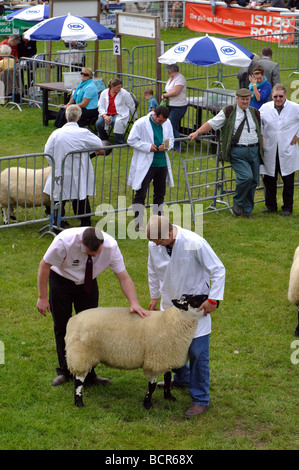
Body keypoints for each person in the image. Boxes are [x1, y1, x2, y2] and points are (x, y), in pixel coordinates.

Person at [36, 226, 149, 386]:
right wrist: (42, 297)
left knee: (90, 328)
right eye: (91, 252)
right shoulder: (63, 242)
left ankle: (89, 375)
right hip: (61, 281)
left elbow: (123, 277)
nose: (96, 255)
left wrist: (134, 303)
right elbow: (44, 265)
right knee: (63, 326)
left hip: (88, 284)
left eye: (98, 252)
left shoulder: (111, 246)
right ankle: (66, 371)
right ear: (82, 242)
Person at [146, 215, 225, 419]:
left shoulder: (194, 243)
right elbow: (153, 271)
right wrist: (154, 296)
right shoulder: (154, 244)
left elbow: (218, 270)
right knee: (173, 346)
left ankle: (200, 399)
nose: (155, 245)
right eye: (153, 242)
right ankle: (181, 378)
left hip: (195, 307)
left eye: (159, 241)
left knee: (198, 352)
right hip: (169, 306)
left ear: (170, 233)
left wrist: (214, 300)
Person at [189, 88, 263, 219]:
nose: (245, 101)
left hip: (254, 150)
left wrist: (262, 149)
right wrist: (197, 132)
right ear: (237, 99)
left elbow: (260, 132)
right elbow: (212, 123)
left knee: (253, 181)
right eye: (242, 99)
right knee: (246, 177)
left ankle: (247, 209)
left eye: (247, 99)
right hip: (238, 151)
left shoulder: (255, 113)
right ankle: (238, 203)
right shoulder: (228, 112)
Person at [44, 104, 104, 228]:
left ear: (66, 116)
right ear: (79, 117)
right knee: (81, 194)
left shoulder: (57, 133)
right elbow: (98, 144)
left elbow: (48, 151)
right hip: (79, 170)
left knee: (60, 196)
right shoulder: (84, 133)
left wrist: (54, 164)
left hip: (62, 169)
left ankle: (57, 222)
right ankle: (85, 221)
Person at [127, 106, 174, 231]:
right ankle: (138, 222)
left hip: (161, 163)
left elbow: (171, 139)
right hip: (145, 163)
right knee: (141, 193)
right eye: (160, 121)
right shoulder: (140, 123)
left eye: (163, 121)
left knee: (160, 193)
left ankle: (158, 222)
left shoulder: (167, 122)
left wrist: (166, 146)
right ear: (155, 114)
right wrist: (148, 147)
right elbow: (131, 140)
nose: (161, 123)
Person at [259, 84, 299, 216]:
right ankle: (270, 206)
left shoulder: (294, 108)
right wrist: (261, 137)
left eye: (280, 96)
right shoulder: (265, 108)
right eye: (275, 96)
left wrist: (297, 135)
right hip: (270, 149)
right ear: (272, 96)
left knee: (288, 180)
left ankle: (287, 207)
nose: (278, 99)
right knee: (269, 179)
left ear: (285, 95)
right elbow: (258, 122)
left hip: (287, 148)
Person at [95, 77, 136, 145]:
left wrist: (135, 117)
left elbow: (131, 104)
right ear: (112, 86)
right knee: (98, 124)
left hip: (119, 113)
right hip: (106, 113)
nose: (120, 89)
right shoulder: (104, 93)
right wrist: (104, 115)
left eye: (120, 87)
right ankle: (104, 141)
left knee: (116, 122)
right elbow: (100, 106)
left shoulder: (124, 93)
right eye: (118, 87)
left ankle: (119, 142)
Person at [161, 63, 188, 152]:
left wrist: (165, 95)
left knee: (171, 125)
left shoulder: (180, 78)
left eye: (168, 71)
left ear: (171, 71)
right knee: (166, 125)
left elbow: (176, 92)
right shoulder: (171, 78)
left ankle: (178, 147)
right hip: (170, 105)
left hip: (178, 106)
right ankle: (167, 145)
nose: (168, 73)